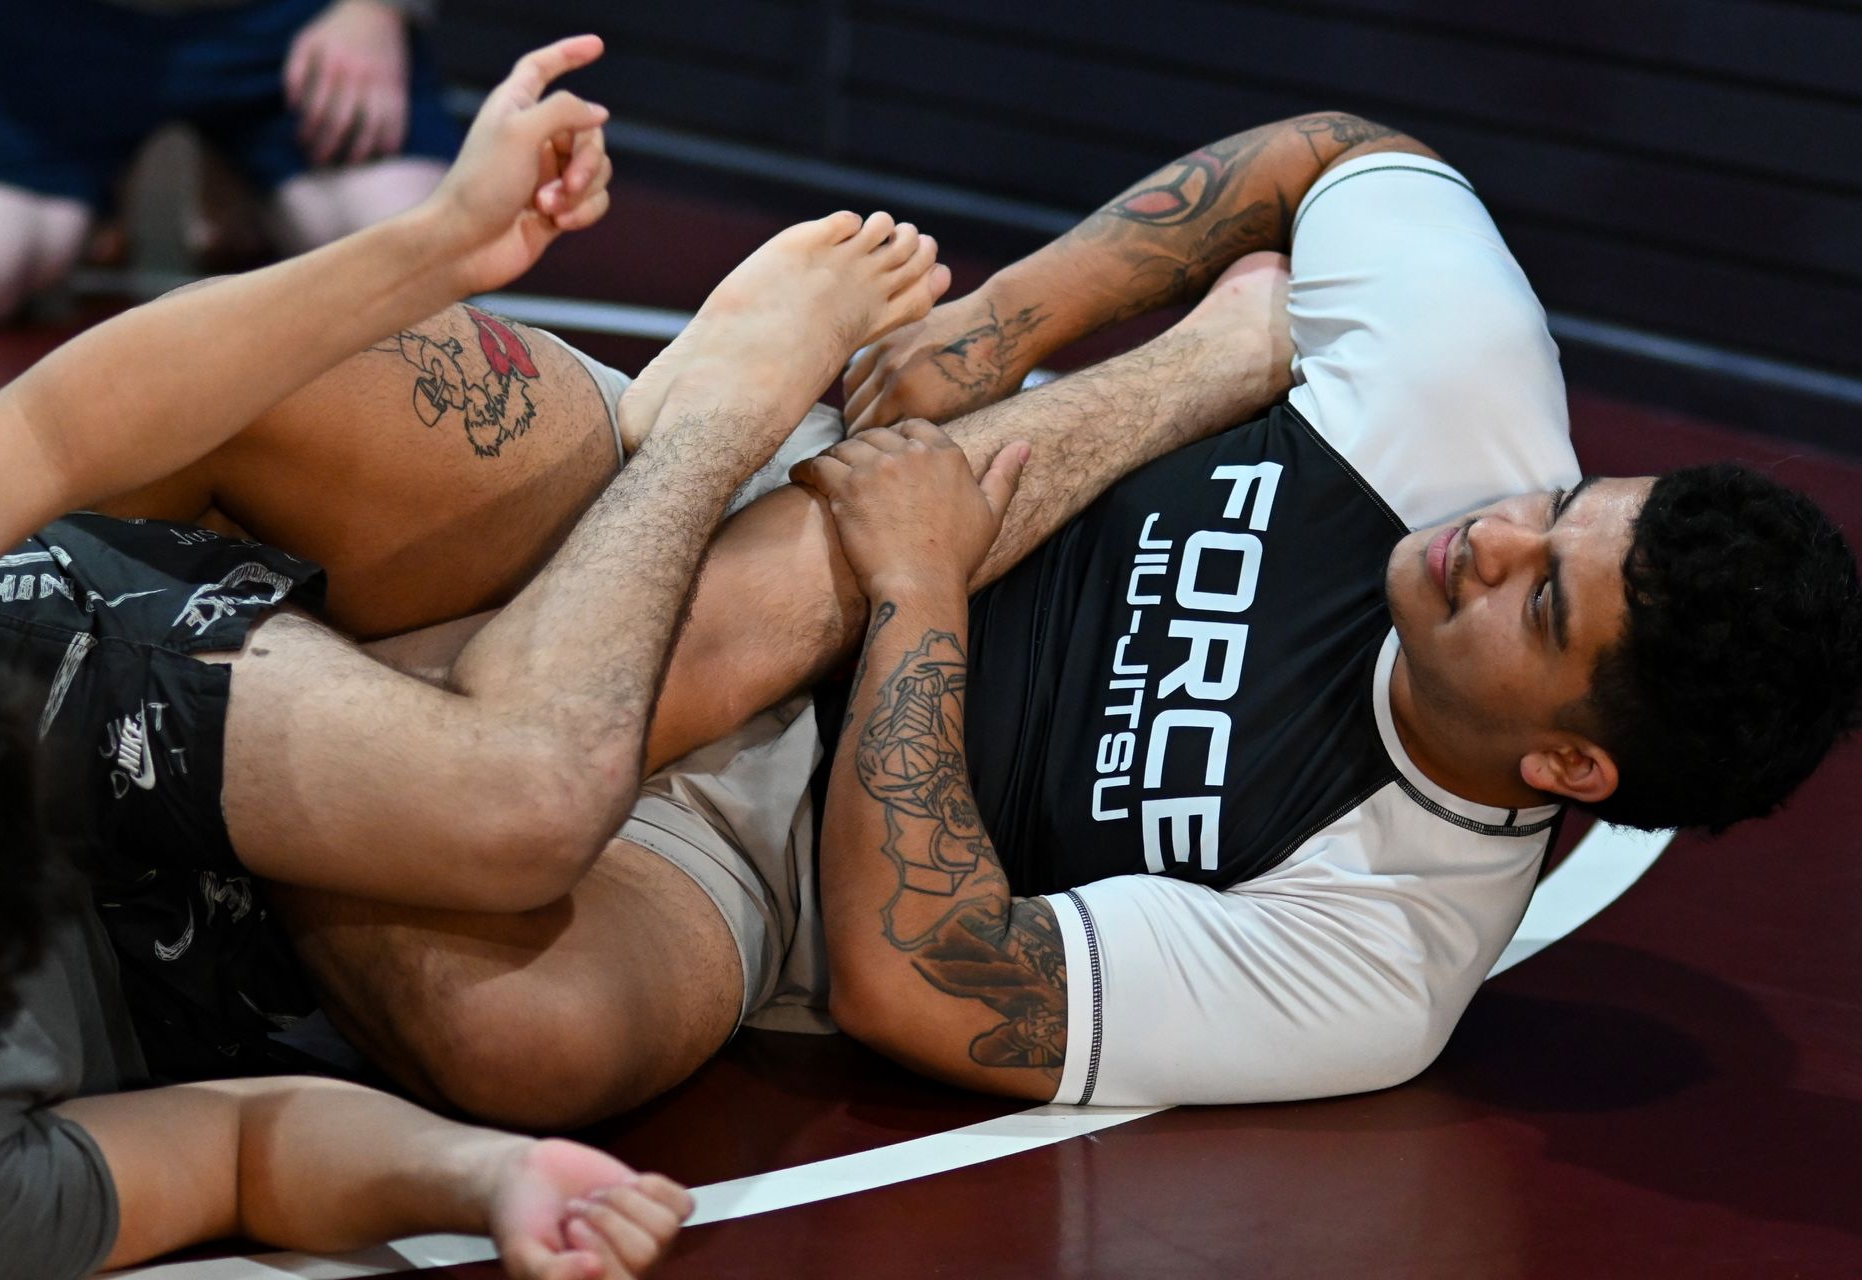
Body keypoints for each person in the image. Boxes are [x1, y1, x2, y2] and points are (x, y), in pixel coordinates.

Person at [154, 112, 1851, 1125]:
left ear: (1567, 761)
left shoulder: (1380, 956)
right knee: (313, 384)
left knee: (522, 1040)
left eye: (1539, 592)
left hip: (767, 866)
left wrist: (917, 595)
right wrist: (1010, 319)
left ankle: (207, 684)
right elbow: (1340, 159)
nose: (1491, 530)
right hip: (765, 507)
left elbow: (931, 984)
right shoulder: (1465, 395)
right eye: (1556, 509)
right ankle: (261, 716)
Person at [0, 36, 732, 1279]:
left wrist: (441, 241)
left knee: (519, 799)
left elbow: (58, 423)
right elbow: (242, 1152)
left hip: (29, 688)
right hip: (184, 960)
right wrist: (489, 1176)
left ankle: (726, 413)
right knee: (530, 1043)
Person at [0, 0, 460, 324]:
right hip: (44, 21)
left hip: (283, 19)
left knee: (405, 266)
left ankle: (235, 163)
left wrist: (379, 7)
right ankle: (116, 174)